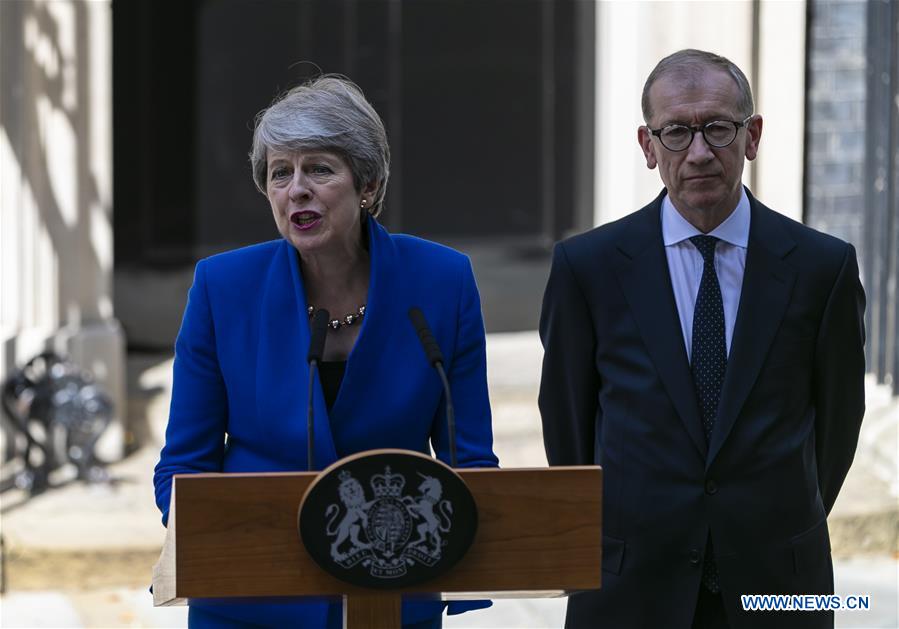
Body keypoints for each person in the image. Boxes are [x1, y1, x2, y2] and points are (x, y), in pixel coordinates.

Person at [153, 75, 498, 628]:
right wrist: (220, 542)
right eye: (279, 173)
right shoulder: (223, 288)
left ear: (368, 182)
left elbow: (470, 463)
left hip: (393, 595)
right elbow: (183, 465)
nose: (297, 189)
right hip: (250, 599)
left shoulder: (442, 282)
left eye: (319, 168)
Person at [539, 49, 865, 629]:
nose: (699, 153)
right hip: (628, 587)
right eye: (675, 133)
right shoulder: (587, 268)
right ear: (647, 146)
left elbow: (837, 428)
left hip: (778, 588)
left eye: (717, 128)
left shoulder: (823, 269)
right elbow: (568, 428)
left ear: (752, 135)